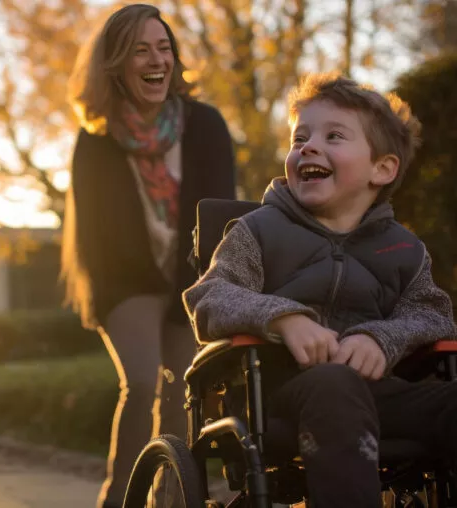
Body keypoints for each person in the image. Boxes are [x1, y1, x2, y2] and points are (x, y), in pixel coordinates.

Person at [183, 72, 457, 507]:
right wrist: (282, 318)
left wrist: (382, 338)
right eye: (300, 138)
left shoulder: (404, 249)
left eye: (334, 136)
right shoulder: (257, 231)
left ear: (382, 168)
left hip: (379, 396)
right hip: (273, 399)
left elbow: (434, 314)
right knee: (333, 385)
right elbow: (209, 295)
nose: (308, 146)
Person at [60, 4, 236, 507]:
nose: (156, 59)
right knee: (141, 381)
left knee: (185, 389)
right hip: (125, 281)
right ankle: (118, 499)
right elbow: (95, 239)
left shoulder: (206, 125)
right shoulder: (94, 141)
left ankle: (171, 500)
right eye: (140, 50)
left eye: (164, 47)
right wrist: (134, 289)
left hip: (191, 276)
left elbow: (221, 212)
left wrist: (201, 282)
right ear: (116, 64)